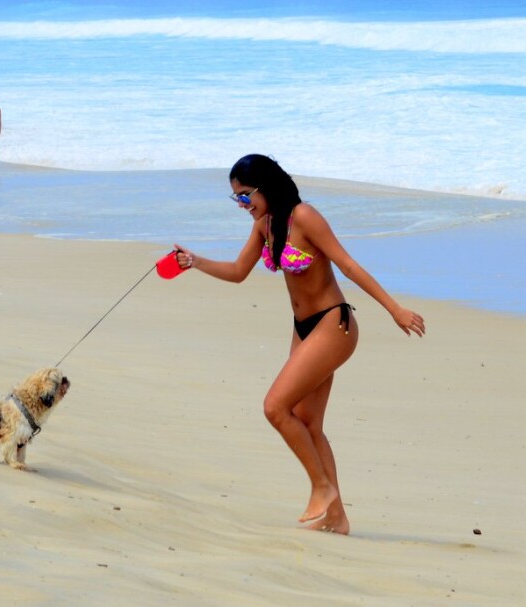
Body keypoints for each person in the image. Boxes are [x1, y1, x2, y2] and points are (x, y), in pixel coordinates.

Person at [172, 154, 426, 535]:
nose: (243, 205)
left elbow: (348, 264)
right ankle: (337, 518)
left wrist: (395, 309)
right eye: (237, 199)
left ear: (266, 186)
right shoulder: (264, 225)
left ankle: (322, 489)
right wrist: (194, 261)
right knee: (309, 424)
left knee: (275, 406)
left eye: (245, 196)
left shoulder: (304, 216)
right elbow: (239, 272)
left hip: (333, 325)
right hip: (303, 327)